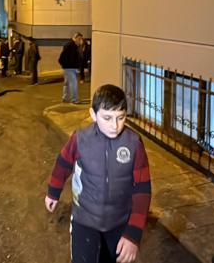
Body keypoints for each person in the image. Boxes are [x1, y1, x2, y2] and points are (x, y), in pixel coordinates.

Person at [45, 84, 151, 263]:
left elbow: (142, 189)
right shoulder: (80, 139)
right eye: (107, 118)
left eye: (121, 117)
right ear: (93, 115)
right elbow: (63, 163)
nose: (115, 126)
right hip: (85, 220)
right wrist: (53, 192)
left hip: (119, 221)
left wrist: (133, 233)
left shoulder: (134, 144)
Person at [59, 33, 83, 103]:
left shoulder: (72, 45)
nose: (80, 41)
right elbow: (62, 58)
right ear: (76, 38)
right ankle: (74, 99)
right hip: (70, 68)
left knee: (67, 84)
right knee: (73, 83)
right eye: (79, 39)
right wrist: (67, 65)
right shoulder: (70, 46)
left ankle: (65, 97)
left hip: (68, 67)